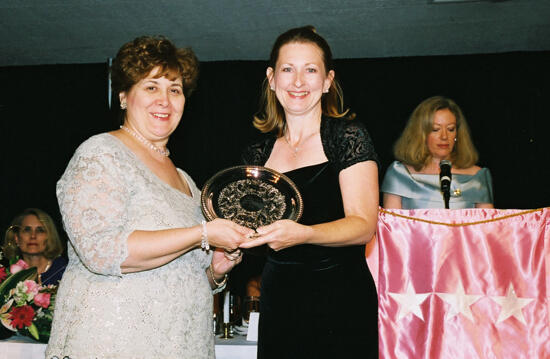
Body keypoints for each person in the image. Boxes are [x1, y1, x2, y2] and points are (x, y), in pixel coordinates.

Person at [46, 36, 254, 359]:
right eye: (151, 87)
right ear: (124, 96)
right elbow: (102, 251)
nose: (165, 100)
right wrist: (202, 234)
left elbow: (182, 273)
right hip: (115, 343)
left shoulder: (186, 181)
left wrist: (215, 269)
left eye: (175, 89)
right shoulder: (101, 153)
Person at [240, 26, 379, 359]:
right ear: (272, 78)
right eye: (288, 69)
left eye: (310, 70)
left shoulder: (347, 136)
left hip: (340, 297)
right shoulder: (255, 155)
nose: (298, 81)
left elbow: (363, 226)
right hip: (280, 298)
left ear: (328, 80)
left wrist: (304, 234)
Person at [381, 95, 494, 209]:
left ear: (457, 134)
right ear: (421, 134)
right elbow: (392, 224)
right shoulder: (400, 174)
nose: (444, 136)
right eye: (435, 129)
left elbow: (486, 225)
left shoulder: (477, 176)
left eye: (450, 129)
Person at [3, 208, 67, 286]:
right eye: (27, 230)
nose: (33, 236)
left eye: (40, 230)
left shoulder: (64, 271)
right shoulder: (7, 278)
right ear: (17, 238)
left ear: (49, 237)